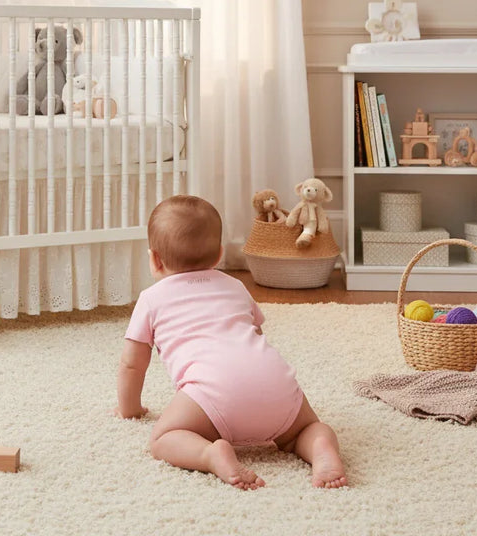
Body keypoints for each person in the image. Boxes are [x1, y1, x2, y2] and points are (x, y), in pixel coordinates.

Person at [114, 195, 348, 490]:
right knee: (307, 428)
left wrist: (130, 409)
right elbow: (256, 335)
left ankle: (210, 453)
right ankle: (321, 450)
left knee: (163, 439)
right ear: (218, 255)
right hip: (276, 385)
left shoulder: (151, 299)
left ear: (154, 259)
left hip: (212, 396)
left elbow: (131, 364)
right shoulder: (235, 286)